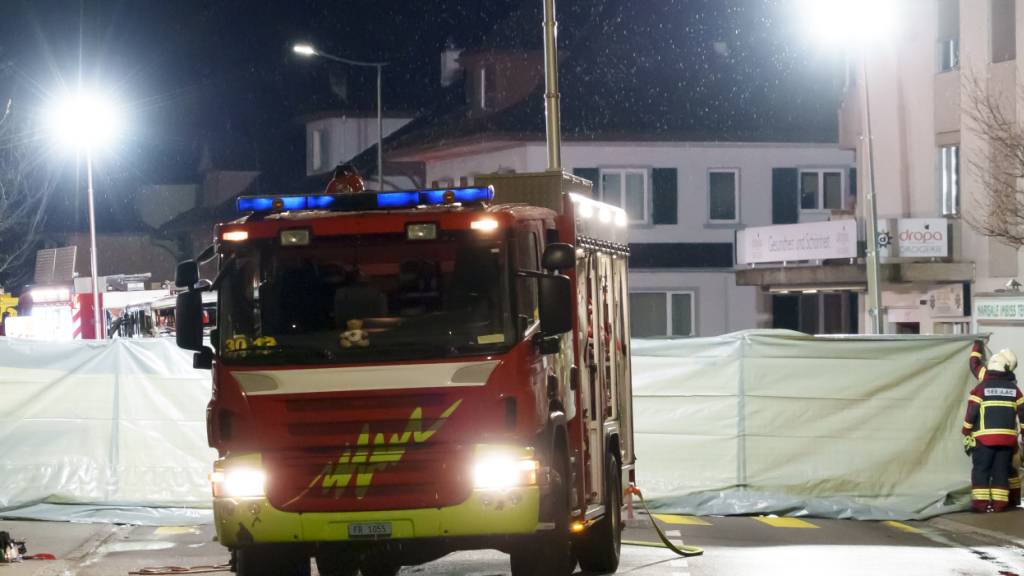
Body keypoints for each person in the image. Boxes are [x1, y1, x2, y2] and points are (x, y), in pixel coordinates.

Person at [963, 341, 1024, 512]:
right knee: (1000, 472)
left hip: (984, 439)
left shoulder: (983, 385)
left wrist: (976, 346)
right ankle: (999, 505)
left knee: (981, 470)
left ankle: (981, 505)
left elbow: (972, 411)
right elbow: (1023, 414)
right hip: (1007, 440)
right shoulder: (1015, 389)